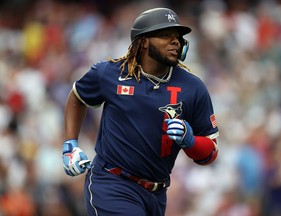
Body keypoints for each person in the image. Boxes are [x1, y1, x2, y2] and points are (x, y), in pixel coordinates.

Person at [62, 7, 219, 216]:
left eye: (178, 37)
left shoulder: (193, 87)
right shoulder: (109, 73)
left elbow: (210, 153)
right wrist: (70, 144)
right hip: (112, 184)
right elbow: (77, 97)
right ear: (143, 41)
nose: (175, 42)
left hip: (156, 194)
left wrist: (190, 141)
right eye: (166, 35)